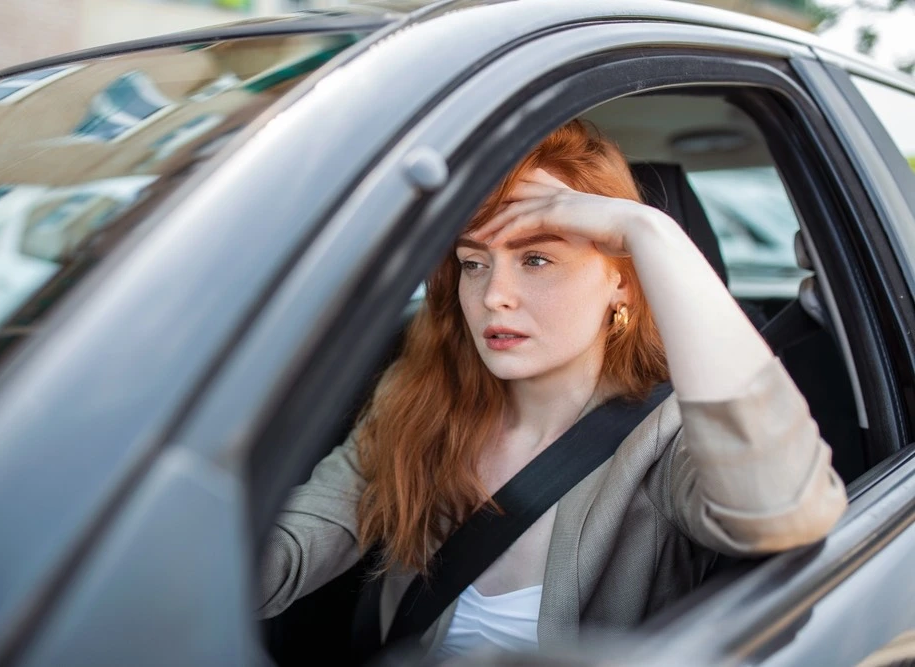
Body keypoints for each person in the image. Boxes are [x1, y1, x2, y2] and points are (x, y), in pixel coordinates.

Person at [257, 120, 848, 659]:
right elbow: (290, 547)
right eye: (473, 263)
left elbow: (782, 511)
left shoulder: (667, 439)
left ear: (621, 279)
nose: (493, 296)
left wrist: (649, 230)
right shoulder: (421, 401)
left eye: (536, 258)